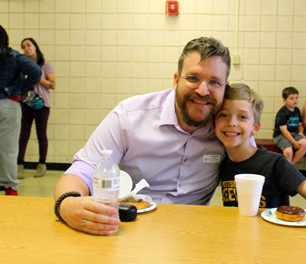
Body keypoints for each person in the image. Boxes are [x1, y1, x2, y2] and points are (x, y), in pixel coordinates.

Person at [53, 37, 231, 235]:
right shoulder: (129, 115)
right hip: (128, 228)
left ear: (225, 87)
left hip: (192, 234)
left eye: (214, 82)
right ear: (175, 80)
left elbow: (253, 167)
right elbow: (84, 168)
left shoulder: (229, 129)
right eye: (193, 78)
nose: (202, 91)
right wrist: (67, 204)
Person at [215, 83, 306, 234]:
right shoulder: (222, 163)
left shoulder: (275, 164)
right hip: (239, 237)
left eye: (242, 117)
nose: (232, 123)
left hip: (274, 242)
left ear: (255, 127)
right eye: (223, 115)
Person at [0, 26, 41, 195]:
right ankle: (10, 186)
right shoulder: (12, 56)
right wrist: (22, 88)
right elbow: (36, 71)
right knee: (8, 149)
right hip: (9, 104)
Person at [17, 38, 56, 179]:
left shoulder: (46, 65)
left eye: (29, 45)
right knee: (23, 134)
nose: (26, 48)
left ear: (35, 47)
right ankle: (19, 165)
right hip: (26, 103)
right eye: (23, 47)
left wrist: (36, 76)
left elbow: (52, 85)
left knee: (41, 134)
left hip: (42, 104)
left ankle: (41, 164)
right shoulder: (21, 66)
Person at [273, 87, 306, 165]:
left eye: (296, 98)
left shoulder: (297, 110)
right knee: (288, 152)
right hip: (280, 135)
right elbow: (284, 130)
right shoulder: (282, 112)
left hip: (293, 134)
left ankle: (290, 166)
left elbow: (300, 124)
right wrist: (294, 142)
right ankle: (286, 172)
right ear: (284, 100)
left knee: (305, 144)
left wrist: (301, 132)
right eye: (291, 98)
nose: (295, 100)